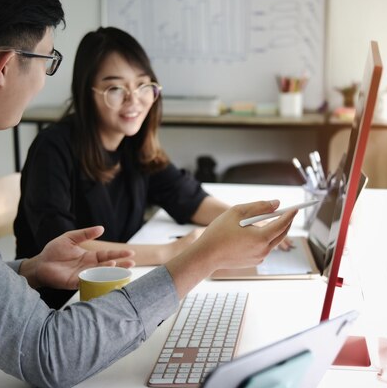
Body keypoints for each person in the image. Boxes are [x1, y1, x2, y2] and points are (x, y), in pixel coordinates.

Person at [0, 0, 296, 388]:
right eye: (48, 60)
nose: (133, 99)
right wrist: (199, 257)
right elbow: (50, 354)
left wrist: (27, 270)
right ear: (6, 65)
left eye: (142, 87)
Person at [13, 27, 228, 308]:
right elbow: (65, 251)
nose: (134, 99)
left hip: (116, 291)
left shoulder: (134, 144)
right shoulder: (53, 148)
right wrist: (169, 252)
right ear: (87, 93)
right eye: (115, 88)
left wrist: (247, 221)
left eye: (142, 85)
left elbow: (189, 198)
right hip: (60, 305)